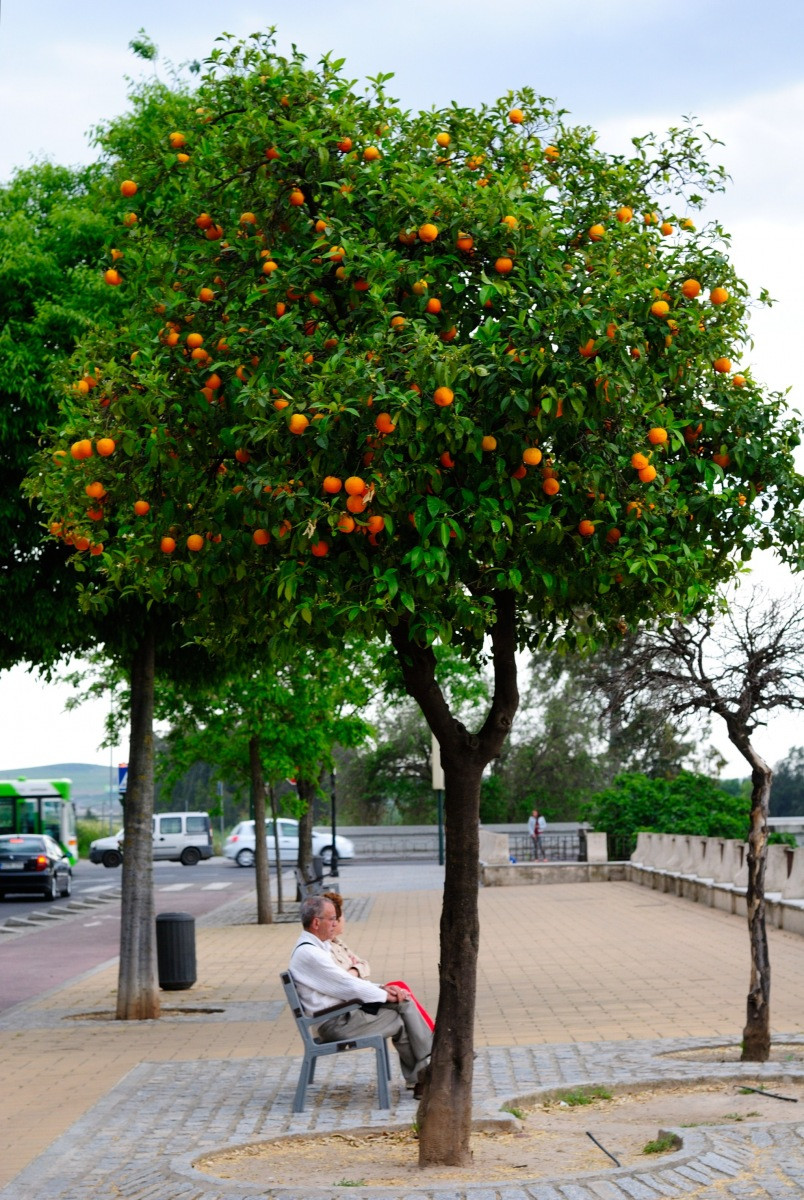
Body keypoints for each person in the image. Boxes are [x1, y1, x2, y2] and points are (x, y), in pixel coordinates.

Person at [289, 894, 433, 1096]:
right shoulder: (311, 954)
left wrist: (383, 990)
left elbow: (348, 983)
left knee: (403, 1004)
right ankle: (431, 1067)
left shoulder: (317, 948)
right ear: (316, 922)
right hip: (335, 1024)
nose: (335, 923)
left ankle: (425, 1075)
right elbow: (346, 985)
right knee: (401, 1017)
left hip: (343, 1014)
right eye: (332, 918)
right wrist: (384, 995)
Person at [324, 891, 435, 1031]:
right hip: (352, 1005)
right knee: (402, 999)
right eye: (343, 916)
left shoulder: (338, 943)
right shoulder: (325, 950)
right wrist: (360, 976)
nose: (345, 920)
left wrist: (353, 970)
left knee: (400, 990)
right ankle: (431, 1037)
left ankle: (430, 1036)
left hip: (358, 997)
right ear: (336, 921)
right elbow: (345, 982)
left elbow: (364, 964)